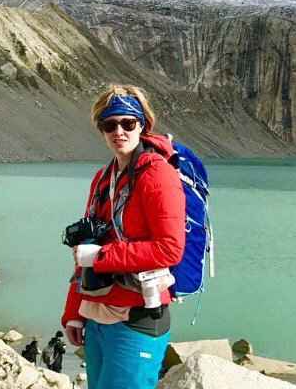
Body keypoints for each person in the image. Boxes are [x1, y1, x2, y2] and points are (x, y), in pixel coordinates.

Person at [62, 84, 186, 389]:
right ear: (101, 129)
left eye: (128, 123)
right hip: (98, 316)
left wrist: (101, 257)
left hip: (136, 318)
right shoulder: (103, 178)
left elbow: (170, 249)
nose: (119, 131)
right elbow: (86, 246)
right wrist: (74, 313)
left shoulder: (157, 173)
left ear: (142, 125)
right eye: (109, 125)